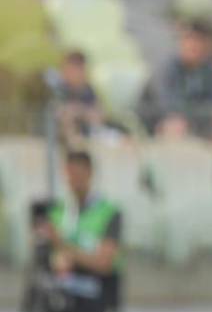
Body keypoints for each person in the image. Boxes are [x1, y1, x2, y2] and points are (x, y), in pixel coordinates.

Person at [40, 151, 123, 312]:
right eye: (71, 175)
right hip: (62, 300)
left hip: (97, 298)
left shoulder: (109, 212)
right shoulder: (58, 212)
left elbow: (104, 263)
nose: (74, 180)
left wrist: (64, 248)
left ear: (89, 173)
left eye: (79, 174)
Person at [157, 22, 212, 139]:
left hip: (194, 125)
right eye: (190, 40)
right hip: (159, 124)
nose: (194, 46)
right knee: (175, 124)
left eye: (199, 42)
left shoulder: (207, 71)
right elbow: (167, 104)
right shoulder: (169, 69)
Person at [57, 51, 104, 151]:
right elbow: (60, 112)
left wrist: (80, 111)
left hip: (88, 138)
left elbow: (98, 114)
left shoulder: (88, 90)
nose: (65, 73)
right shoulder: (60, 90)